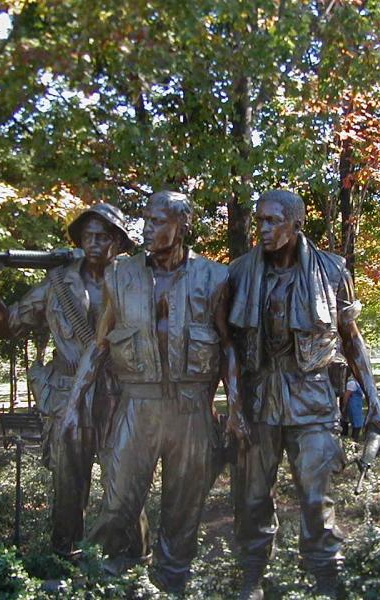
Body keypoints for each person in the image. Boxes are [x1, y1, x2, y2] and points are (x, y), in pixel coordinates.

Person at [63, 191, 245, 593]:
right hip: (138, 405)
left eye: (158, 221)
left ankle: (170, 584)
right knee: (118, 503)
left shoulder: (214, 277)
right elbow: (100, 345)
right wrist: (74, 406)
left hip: (192, 408)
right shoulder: (119, 275)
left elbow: (228, 346)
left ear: (183, 225)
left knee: (183, 513)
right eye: (145, 219)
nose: (147, 228)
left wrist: (234, 409)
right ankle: (100, 579)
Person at [228, 189, 380, 599]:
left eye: (272, 221)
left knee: (317, 501)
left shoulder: (332, 271)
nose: (262, 229)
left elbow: (351, 341)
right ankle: (251, 578)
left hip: (312, 399)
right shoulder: (239, 272)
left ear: (296, 223)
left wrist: (374, 401)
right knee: (251, 500)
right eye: (259, 220)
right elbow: (225, 346)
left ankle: (327, 581)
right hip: (259, 398)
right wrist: (231, 405)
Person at [0, 203, 139, 557]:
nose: (94, 242)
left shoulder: (134, 281)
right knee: (67, 490)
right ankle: (65, 561)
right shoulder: (57, 284)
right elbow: (8, 326)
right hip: (68, 398)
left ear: (118, 242)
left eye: (103, 236)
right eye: (88, 235)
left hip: (119, 396)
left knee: (125, 485)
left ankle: (135, 562)